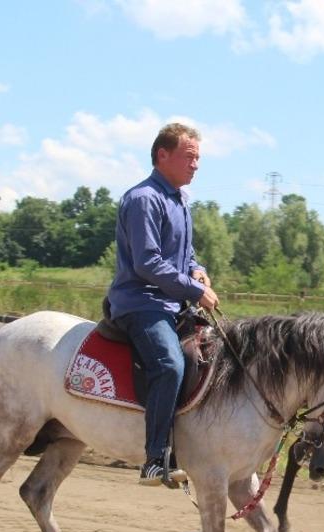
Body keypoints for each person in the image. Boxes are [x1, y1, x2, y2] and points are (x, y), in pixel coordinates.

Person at [107, 122, 219, 486]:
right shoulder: (143, 199)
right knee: (169, 365)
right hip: (141, 303)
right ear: (162, 155)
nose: (196, 165)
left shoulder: (179, 200)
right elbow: (148, 262)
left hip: (172, 304)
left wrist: (198, 271)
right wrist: (193, 289)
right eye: (190, 157)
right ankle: (155, 458)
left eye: (198, 158)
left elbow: (185, 255)